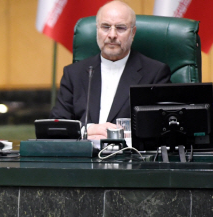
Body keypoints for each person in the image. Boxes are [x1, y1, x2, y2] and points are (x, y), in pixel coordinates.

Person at [50, 1, 171, 140]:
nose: (112, 35)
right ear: (97, 29)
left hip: (130, 158)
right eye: (105, 27)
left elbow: (161, 127)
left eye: (120, 28)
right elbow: (56, 127)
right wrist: (87, 129)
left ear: (133, 32)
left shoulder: (155, 73)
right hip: (83, 157)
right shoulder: (74, 74)